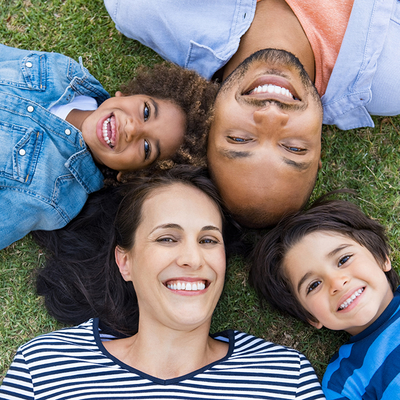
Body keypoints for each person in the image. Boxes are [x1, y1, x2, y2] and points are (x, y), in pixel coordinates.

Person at [0, 166, 325, 399]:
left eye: (209, 240)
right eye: (168, 238)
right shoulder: (46, 367)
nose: (193, 259)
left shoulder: (283, 376)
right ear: (125, 262)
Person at [104, 0, 400, 227]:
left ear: (207, 125)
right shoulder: (390, 76)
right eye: (294, 148)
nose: (271, 116)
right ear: (318, 150)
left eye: (239, 139)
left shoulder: (146, 9)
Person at [0, 44, 217, 250]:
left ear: (129, 175)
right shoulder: (64, 71)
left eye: (147, 147)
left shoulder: (53, 196)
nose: (132, 129)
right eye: (145, 112)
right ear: (130, 94)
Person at [249, 197, 400, 399]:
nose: (336, 283)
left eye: (343, 259)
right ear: (310, 316)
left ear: (382, 257)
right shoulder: (343, 381)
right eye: (314, 285)